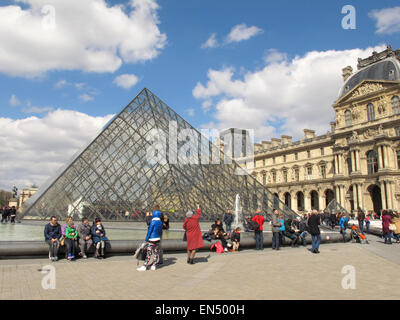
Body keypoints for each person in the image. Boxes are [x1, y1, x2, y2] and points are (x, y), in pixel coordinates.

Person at [137, 205, 163, 271]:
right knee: (156, 253)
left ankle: (144, 266)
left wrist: (146, 240)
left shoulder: (153, 222)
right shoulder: (160, 222)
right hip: (157, 239)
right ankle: (154, 266)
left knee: (149, 253)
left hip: (151, 239)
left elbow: (149, 231)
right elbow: (160, 232)